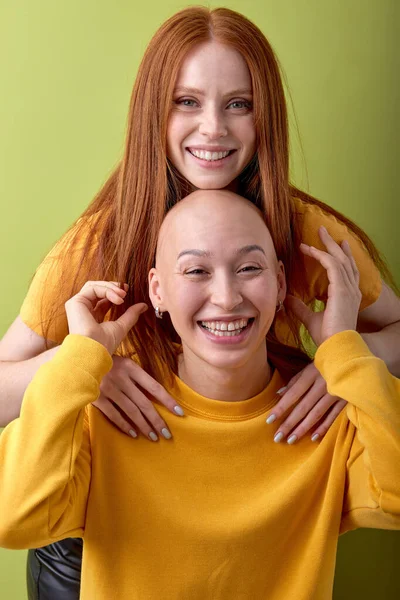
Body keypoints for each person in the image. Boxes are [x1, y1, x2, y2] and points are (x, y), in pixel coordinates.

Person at [0, 5, 399, 599]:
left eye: (239, 104)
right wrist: (87, 369)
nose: (213, 128)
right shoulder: (99, 244)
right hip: (102, 518)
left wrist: (339, 362)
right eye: (186, 102)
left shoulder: (307, 231)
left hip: (257, 483)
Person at [0, 190, 399, 600]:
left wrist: (345, 350)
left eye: (248, 267)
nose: (227, 298)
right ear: (158, 291)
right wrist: (79, 360)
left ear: (280, 283)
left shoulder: (326, 415)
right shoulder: (107, 412)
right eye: (195, 271)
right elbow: (16, 518)